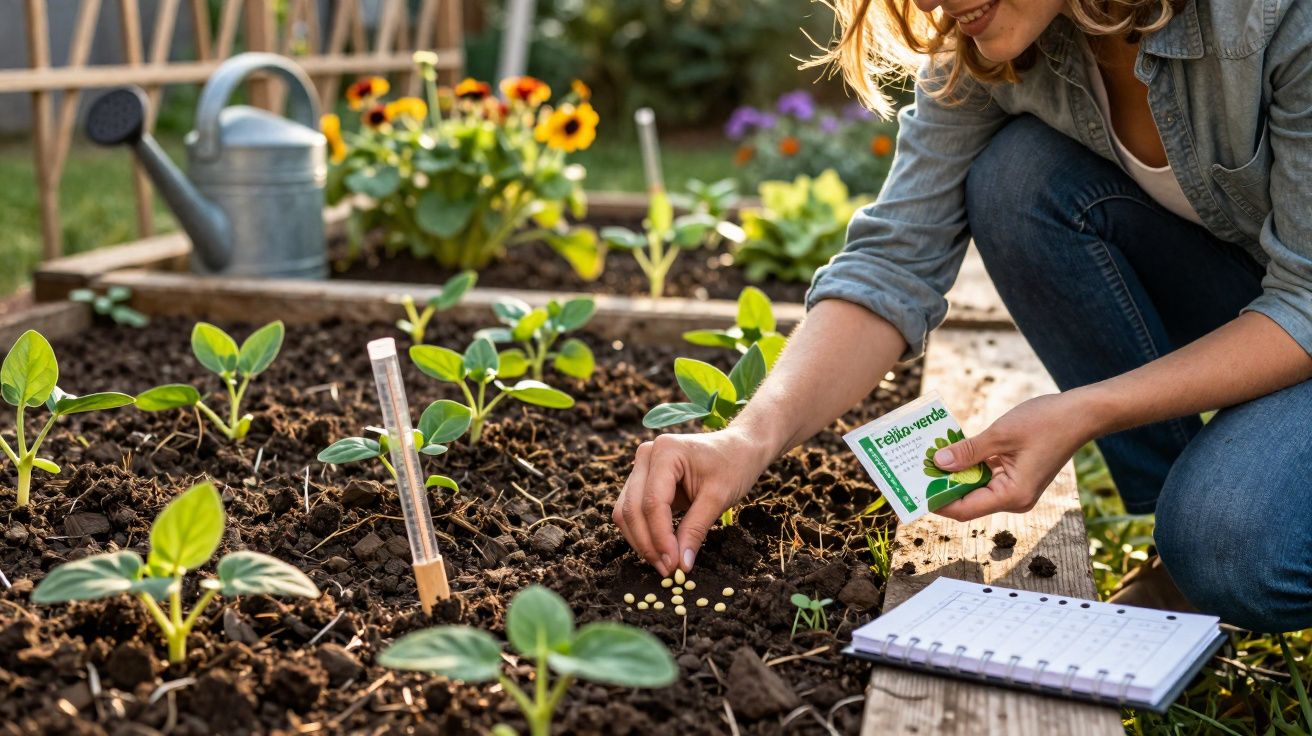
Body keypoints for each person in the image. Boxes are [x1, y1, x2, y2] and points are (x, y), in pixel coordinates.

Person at [611, 0, 1312, 634]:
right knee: (1015, 178)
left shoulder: (1274, 17)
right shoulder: (994, 46)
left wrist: (1085, 410)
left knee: (1230, 546)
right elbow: (893, 262)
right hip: (1260, 297)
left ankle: (1230, 519)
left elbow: (1306, 298)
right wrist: (744, 441)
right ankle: (1197, 513)